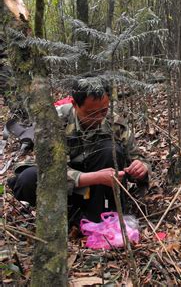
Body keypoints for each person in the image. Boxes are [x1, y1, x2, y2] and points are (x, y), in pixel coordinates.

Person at [7, 75, 151, 225]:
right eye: (91, 113)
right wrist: (93, 177)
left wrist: (141, 169)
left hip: (99, 191)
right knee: (27, 179)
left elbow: (138, 158)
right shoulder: (54, 121)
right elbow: (49, 169)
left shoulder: (114, 122)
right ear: (75, 104)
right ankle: (64, 217)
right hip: (64, 188)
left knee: (110, 150)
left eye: (103, 111)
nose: (98, 118)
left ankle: (100, 217)